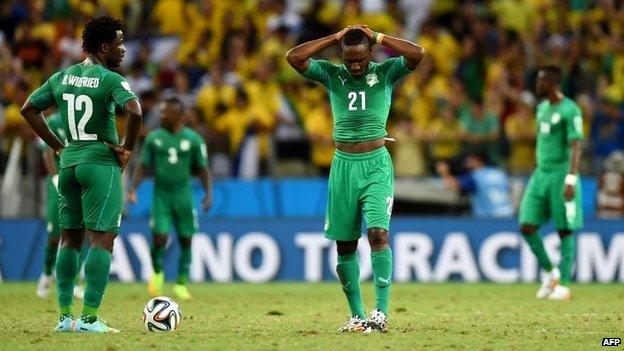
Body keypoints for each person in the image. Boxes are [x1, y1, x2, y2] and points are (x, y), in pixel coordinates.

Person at [286, 25, 424, 333]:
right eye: (349, 60)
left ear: (371, 53)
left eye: (361, 59)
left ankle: (381, 313)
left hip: (376, 164)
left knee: (378, 236)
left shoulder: (386, 71)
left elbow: (418, 54)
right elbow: (293, 58)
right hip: (343, 166)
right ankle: (358, 316)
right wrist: (333, 39)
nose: (355, 65)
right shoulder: (332, 75)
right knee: (345, 245)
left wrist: (379, 36)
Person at [20, 16, 142, 332]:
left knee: (69, 239)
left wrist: (58, 146)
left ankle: (64, 318)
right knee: (102, 240)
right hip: (100, 162)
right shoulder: (110, 79)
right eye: (119, 43)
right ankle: (88, 318)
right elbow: (135, 111)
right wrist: (127, 148)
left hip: (70, 161)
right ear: (104, 46)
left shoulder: (62, 76)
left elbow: (28, 109)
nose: (123, 49)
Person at [128, 96, 212, 300]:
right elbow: (143, 165)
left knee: (186, 239)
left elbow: (203, 169)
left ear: (178, 116)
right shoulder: (154, 138)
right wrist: (133, 188)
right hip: (161, 193)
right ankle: (157, 273)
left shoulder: (193, 139)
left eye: (165, 112)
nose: (161, 115)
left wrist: (208, 193)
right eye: (161, 111)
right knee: (160, 237)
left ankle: (182, 283)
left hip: (184, 193)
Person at [519, 66, 583, 301]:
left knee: (564, 229)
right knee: (526, 225)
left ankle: (564, 285)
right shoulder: (542, 108)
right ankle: (550, 273)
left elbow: (576, 145)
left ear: (552, 83)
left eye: (541, 81)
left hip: (561, 173)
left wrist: (571, 177)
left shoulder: (570, 110)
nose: (537, 85)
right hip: (540, 173)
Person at [36, 112, 86, 300]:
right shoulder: (54, 121)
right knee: (55, 235)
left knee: (81, 232)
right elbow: (47, 153)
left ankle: (72, 281)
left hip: (80, 181)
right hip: (58, 183)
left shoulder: (85, 117)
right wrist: (56, 177)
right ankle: (46, 274)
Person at [436, 153, 514, 218]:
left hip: (488, 217)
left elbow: (453, 185)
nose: (466, 162)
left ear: (477, 160)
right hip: (508, 212)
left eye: (469, 160)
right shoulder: (499, 173)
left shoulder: (475, 176)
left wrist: (444, 172)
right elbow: (509, 190)